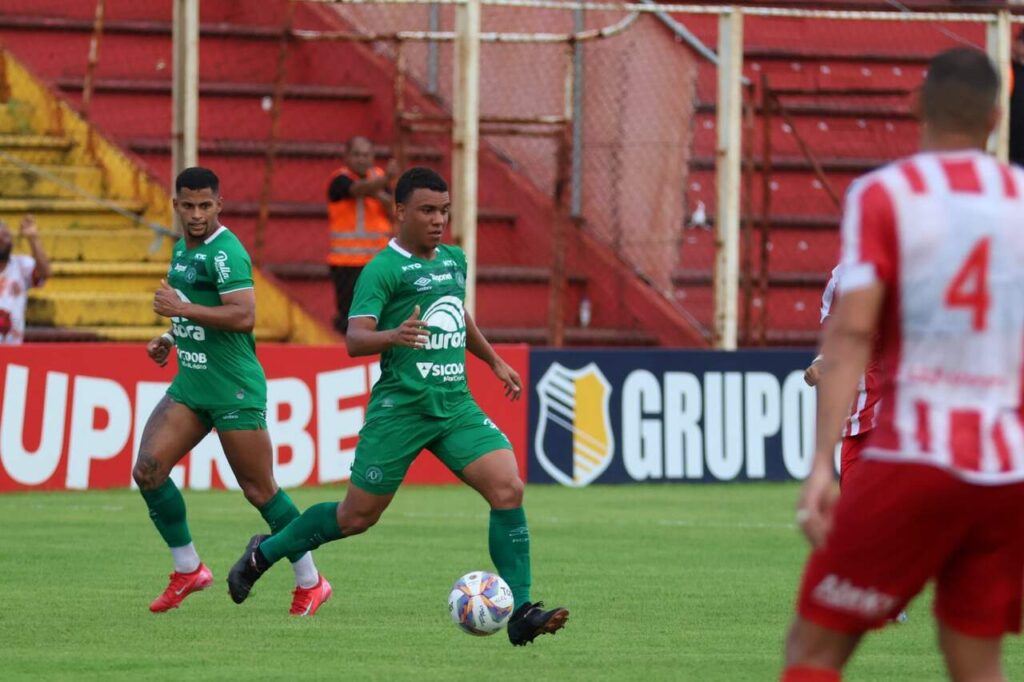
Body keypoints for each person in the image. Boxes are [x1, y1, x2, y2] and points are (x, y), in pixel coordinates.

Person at [227, 167, 570, 646]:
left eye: (444, 211)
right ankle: (264, 553)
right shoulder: (381, 270)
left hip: (454, 406)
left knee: (508, 488)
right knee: (355, 518)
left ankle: (521, 610)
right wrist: (394, 335)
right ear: (401, 211)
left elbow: (457, 313)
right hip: (401, 410)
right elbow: (355, 338)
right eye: (428, 210)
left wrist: (493, 361)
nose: (438, 220)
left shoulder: (453, 261)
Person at [783, 48, 1024, 681]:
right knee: (978, 664)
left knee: (812, 651)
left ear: (916, 105)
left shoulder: (885, 194)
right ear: (998, 116)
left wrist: (817, 469)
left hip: (915, 455)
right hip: (1007, 470)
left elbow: (854, 329)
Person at [137, 167, 330, 616]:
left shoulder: (226, 252)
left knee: (260, 490)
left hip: (233, 388)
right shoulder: (183, 249)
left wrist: (181, 308)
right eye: (188, 205)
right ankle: (188, 570)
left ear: (219, 205)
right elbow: (192, 310)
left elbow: (243, 315)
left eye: (206, 205)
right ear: (176, 205)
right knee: (148, 470)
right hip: (193, 383)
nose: (197, 214)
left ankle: (312, 581)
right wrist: (170, 336)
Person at [804, 264, 881, 488]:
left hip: (903, 421)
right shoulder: (842, 276)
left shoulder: (915, 268)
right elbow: (839, 339)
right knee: (855, 512)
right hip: (861, 422)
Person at [326, 135, 399, 333]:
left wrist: (381, 188)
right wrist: (383, 181)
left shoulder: (378, 177)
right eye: (357, 154)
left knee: (380, 311)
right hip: (347, 261)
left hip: (377, 260)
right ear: (346, 156)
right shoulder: (339, 179)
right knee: (349, 314)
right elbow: (356, 189)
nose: (362, 159)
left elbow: (392, 210)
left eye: (366, 154)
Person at [0, 215, 50, 344]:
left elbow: (45, 273)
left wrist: (33, 238)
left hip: (13, 350)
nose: (2, 241)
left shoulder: (21, 265)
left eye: (6, 236)